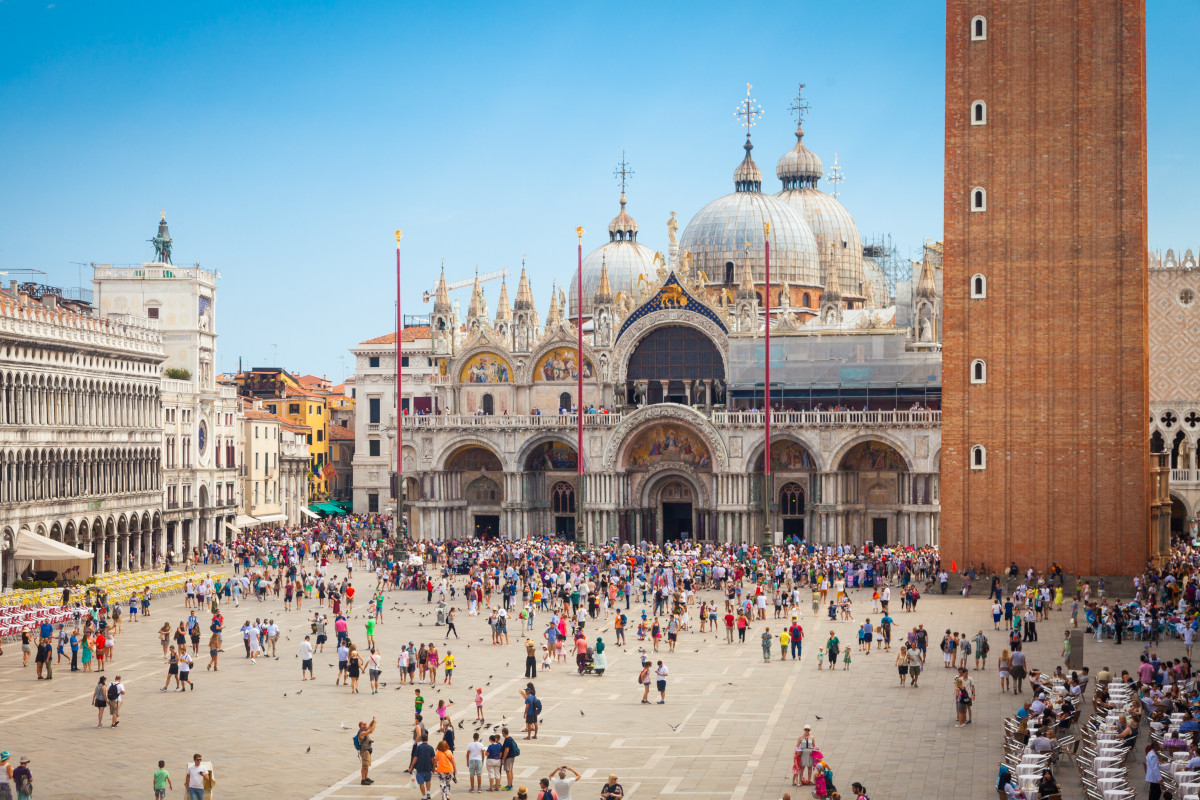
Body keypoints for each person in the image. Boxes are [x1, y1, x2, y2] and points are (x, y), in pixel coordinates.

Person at [411, 731, 437, 799]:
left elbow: (415, 758)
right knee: (428, 780)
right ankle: (428, 792)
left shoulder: (419, 748)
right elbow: (433, 759)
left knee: (421, 782)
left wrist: (411, 767)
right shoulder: (430, 748)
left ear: (421, 739)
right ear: (427, 739)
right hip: (428, 767)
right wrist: (433, 768)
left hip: (420, 767)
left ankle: (424, 796)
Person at [356, 716, 378, 786]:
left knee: (367, 765)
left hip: (367, 750)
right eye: (364, 724)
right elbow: (371, 730)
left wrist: (373, 721)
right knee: (364, 766)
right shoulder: (361, 733)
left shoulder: (364, 730)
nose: (366, 725)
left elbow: (370, 726)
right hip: (364, 751)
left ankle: (366, 777)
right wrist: (374, 724)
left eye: (365, 724)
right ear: (361, 726)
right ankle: (363, 780)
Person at [500, 727, 519, 791]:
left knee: (508, 771)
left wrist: (503, 759)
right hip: (512, 757)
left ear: (503, 733)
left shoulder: (507, 740)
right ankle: (510, 784)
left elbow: (506, 751)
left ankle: (509, 785)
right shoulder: (510, 738)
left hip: (508, 757)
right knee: (510, 771)